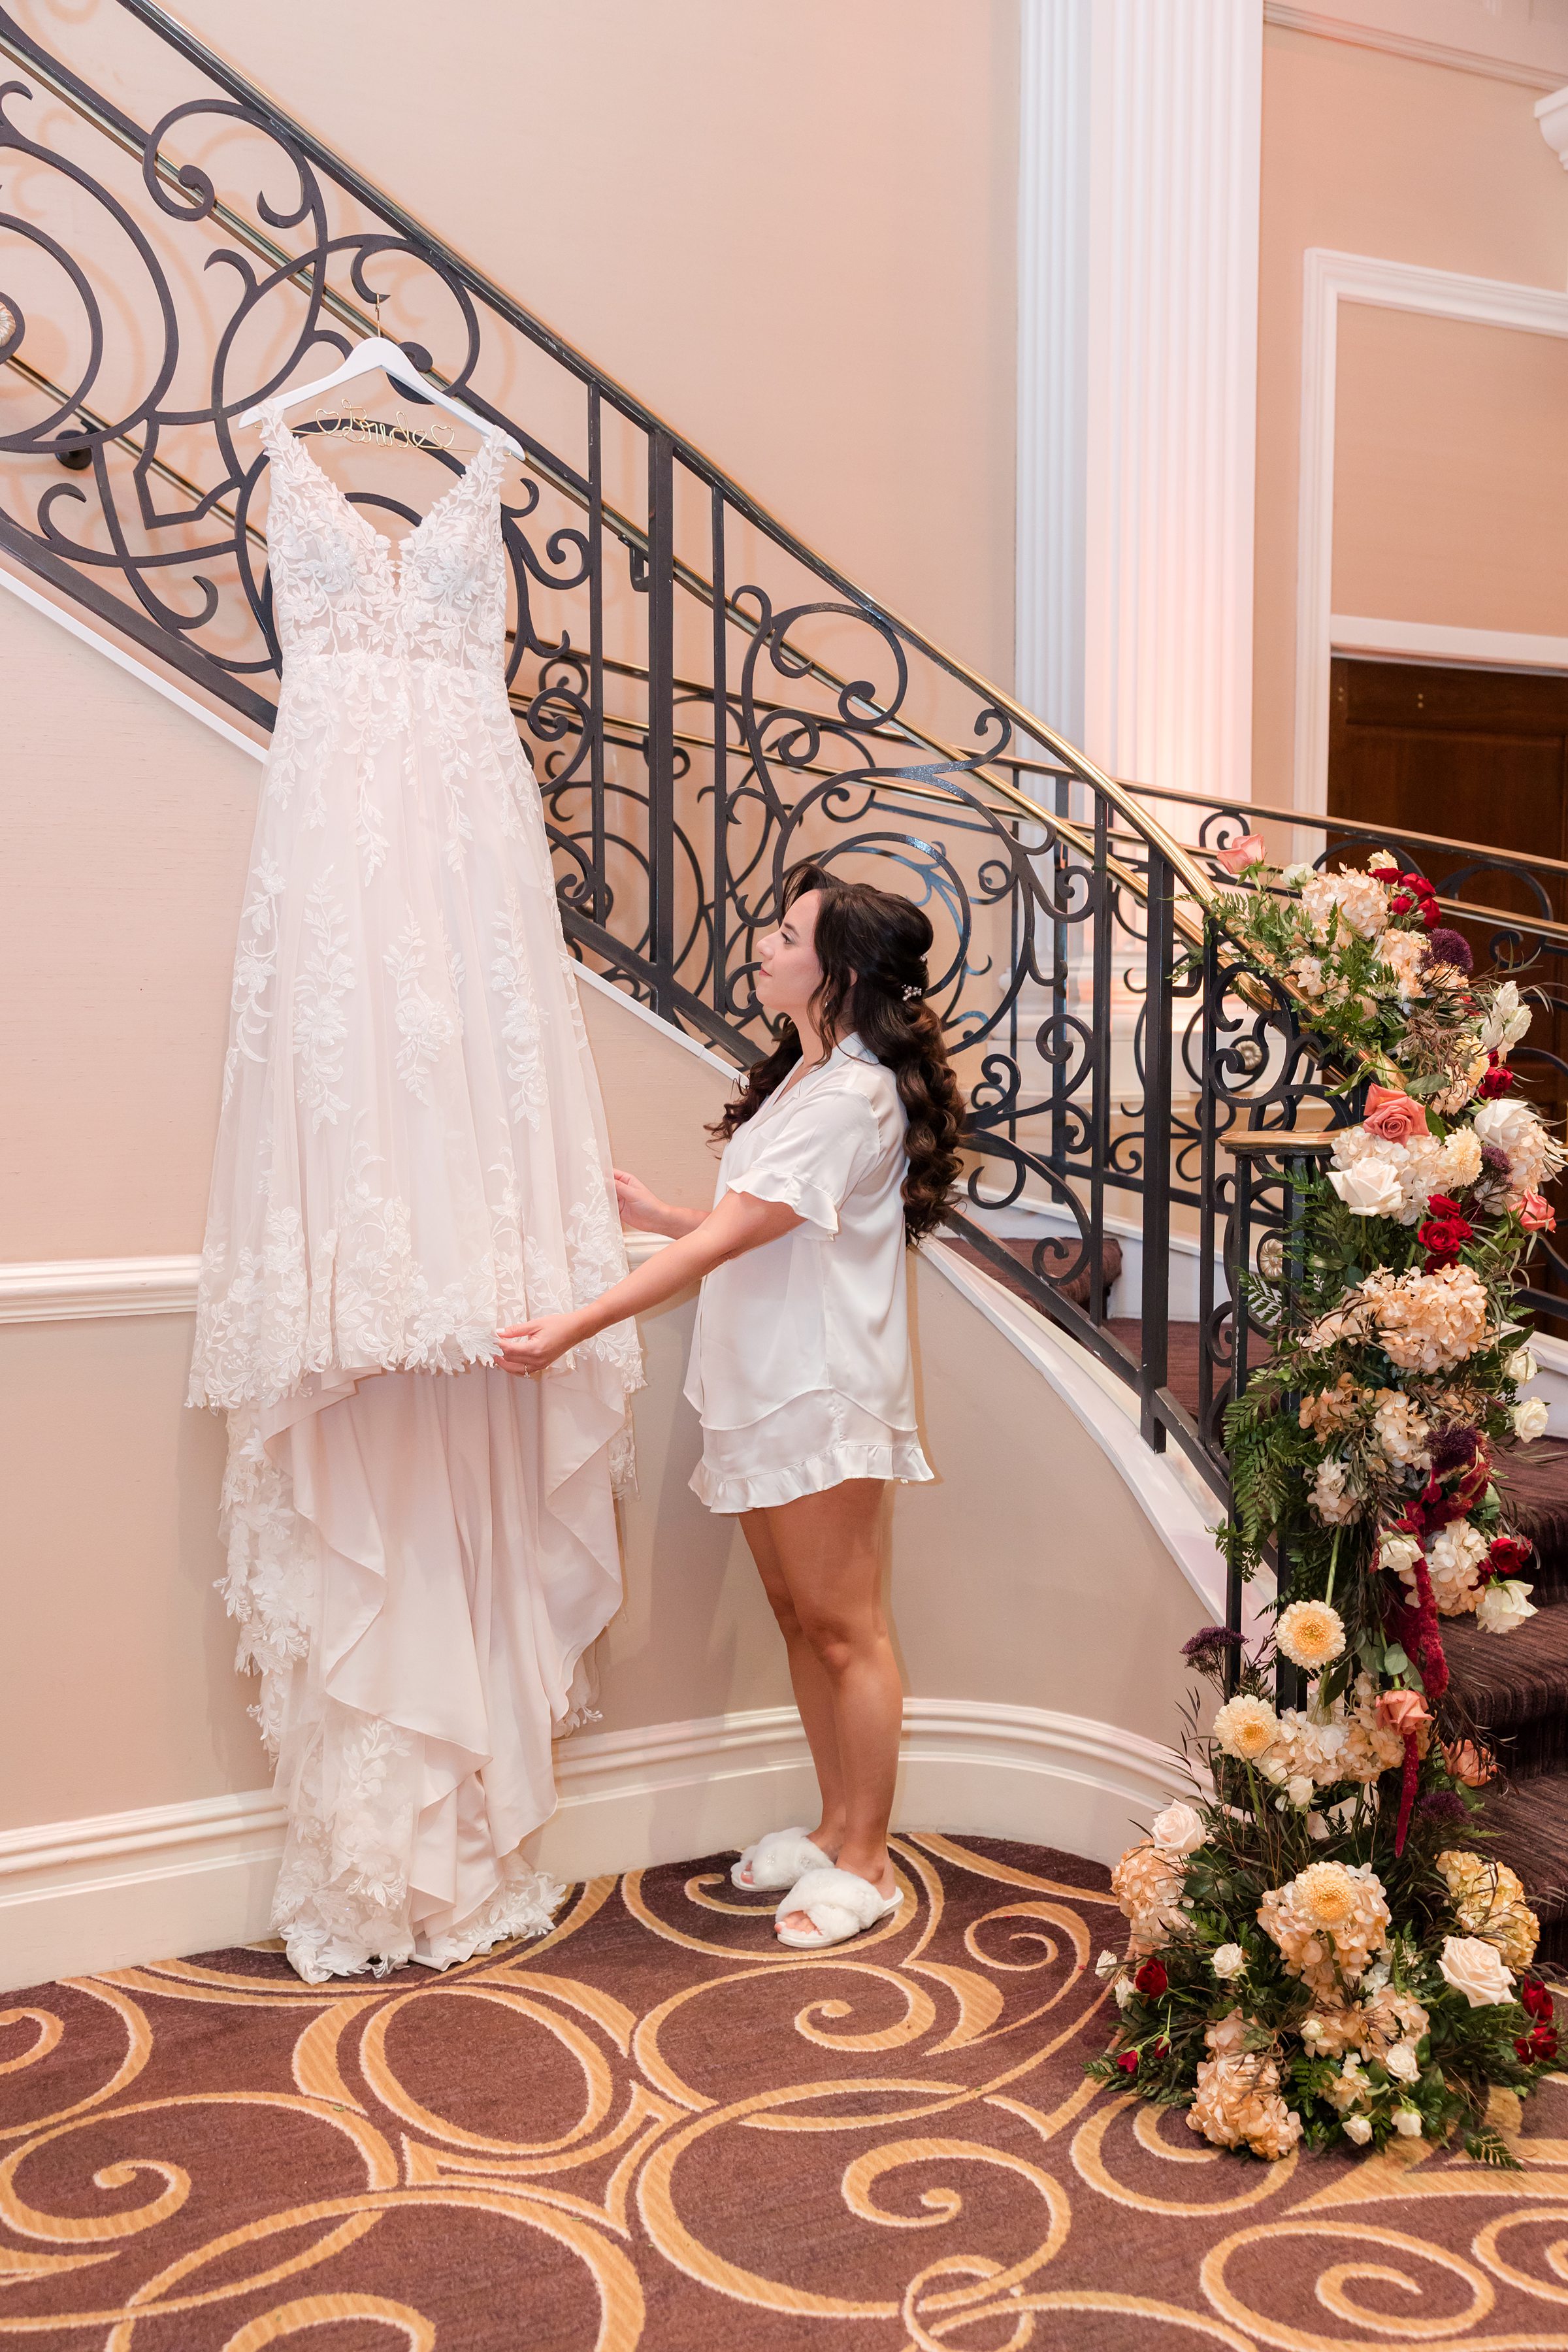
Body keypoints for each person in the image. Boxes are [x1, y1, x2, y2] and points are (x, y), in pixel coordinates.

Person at [498, 862, 963, 1949]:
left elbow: (737, 1235)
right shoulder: (808, 1078)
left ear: (838, 969)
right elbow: (760, 1227)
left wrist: (577, 1322)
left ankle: (869, 1861)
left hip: (820, 1393)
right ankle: (835, 1825)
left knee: (848, 1631)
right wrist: (665, 1213)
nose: (764, 943)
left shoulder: (850, 1094)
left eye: (788, 933)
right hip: (763, 1387)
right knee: (801, 1622)